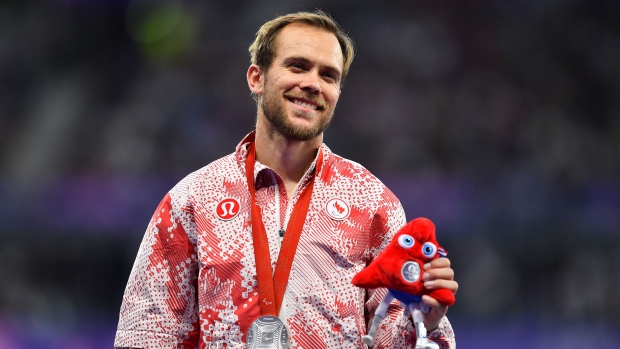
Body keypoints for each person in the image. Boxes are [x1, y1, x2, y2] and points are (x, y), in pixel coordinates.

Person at [114, 10, 458, 349]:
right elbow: (146, 336)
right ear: (257, 78)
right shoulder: (192, 200)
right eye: (297, 66)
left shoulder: (372, 203)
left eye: (329, 75)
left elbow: (393, 338)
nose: (312, 84)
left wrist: (425, 321)